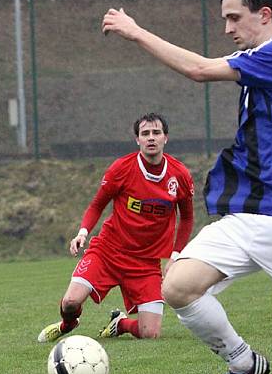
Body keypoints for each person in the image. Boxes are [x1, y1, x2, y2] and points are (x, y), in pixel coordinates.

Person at [103, 0, 272, 374]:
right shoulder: (259, 61)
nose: (228, 27)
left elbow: (198, 69)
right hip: (245, 215)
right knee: (177, 286)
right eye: (225, 18)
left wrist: (135, 31)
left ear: (264, 14)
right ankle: (242, 363)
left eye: (235, 17)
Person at [37, 113, 194, 343]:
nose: (151, 138)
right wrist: (82, 233)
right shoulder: (122, 168)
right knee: (70, 302)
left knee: (150, 333)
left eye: (156, 133)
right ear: (137, 139)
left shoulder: (179, 175)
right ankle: (66, 324)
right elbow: (97, 205)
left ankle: (119, 324)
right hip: (108, 252)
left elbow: (187, 219)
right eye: (145, 133)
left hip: (145, 263)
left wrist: (175, 255)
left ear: (165, 138)